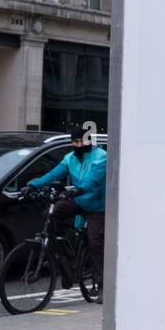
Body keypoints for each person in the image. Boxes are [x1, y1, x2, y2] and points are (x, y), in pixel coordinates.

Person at [30, 125, 108, 299]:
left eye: (82, 141)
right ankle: (68, 262)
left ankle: (101, 284)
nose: (79, 145)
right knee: (52, 215)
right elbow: (53, 174)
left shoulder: (101, 158)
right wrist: (32, 185)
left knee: (95, 241)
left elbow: (92, 181)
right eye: (75, 141)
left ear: (89, 141)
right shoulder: (70, 158)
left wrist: (77, 190)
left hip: (97, 206)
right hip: (78, 200)